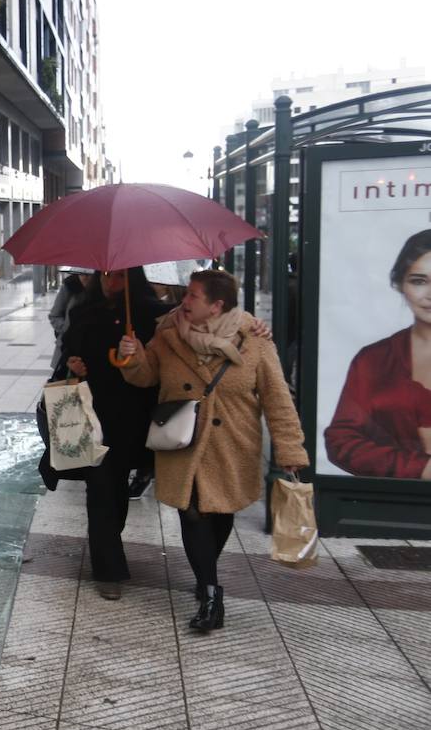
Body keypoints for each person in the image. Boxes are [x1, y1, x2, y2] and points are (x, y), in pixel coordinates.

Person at [117, 269, 307, 632]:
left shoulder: (254, 339)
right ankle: (210, 592)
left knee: (219, 514)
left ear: (216, 305)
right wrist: (134, 356)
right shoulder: (169, 331)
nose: (183, 301)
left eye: (192, 296)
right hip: (183, 441)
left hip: (232, 442)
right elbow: (146, 376)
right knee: (191, 512)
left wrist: (290, 450)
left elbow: (277, 399)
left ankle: (205, 573)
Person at [61, 266, 172, 600]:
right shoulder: (83, 310)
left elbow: (181, 332)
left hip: (134, 416)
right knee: (101, 488)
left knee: (117, 489)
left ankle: (108, 541)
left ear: (133, 278)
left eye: (121, 276)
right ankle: (107, 567)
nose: (112, 282)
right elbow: (68, 350)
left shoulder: (152, 314)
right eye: (107, 275)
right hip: (92, 415)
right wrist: (73, 363)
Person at [324, 229, 431, 478]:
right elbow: (342, 441)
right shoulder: (375, 359)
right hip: (393, 505)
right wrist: (421, 468)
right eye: (419, 281)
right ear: (400, 284)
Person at [48, 271, 97, 373]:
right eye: (82, 274)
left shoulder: (102, 289)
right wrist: (68, 329)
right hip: (68, 351)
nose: (85, 278)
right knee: (66, 385)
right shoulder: (70, 286)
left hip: (93, 352)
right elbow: (54, 315)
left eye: (89, 274)